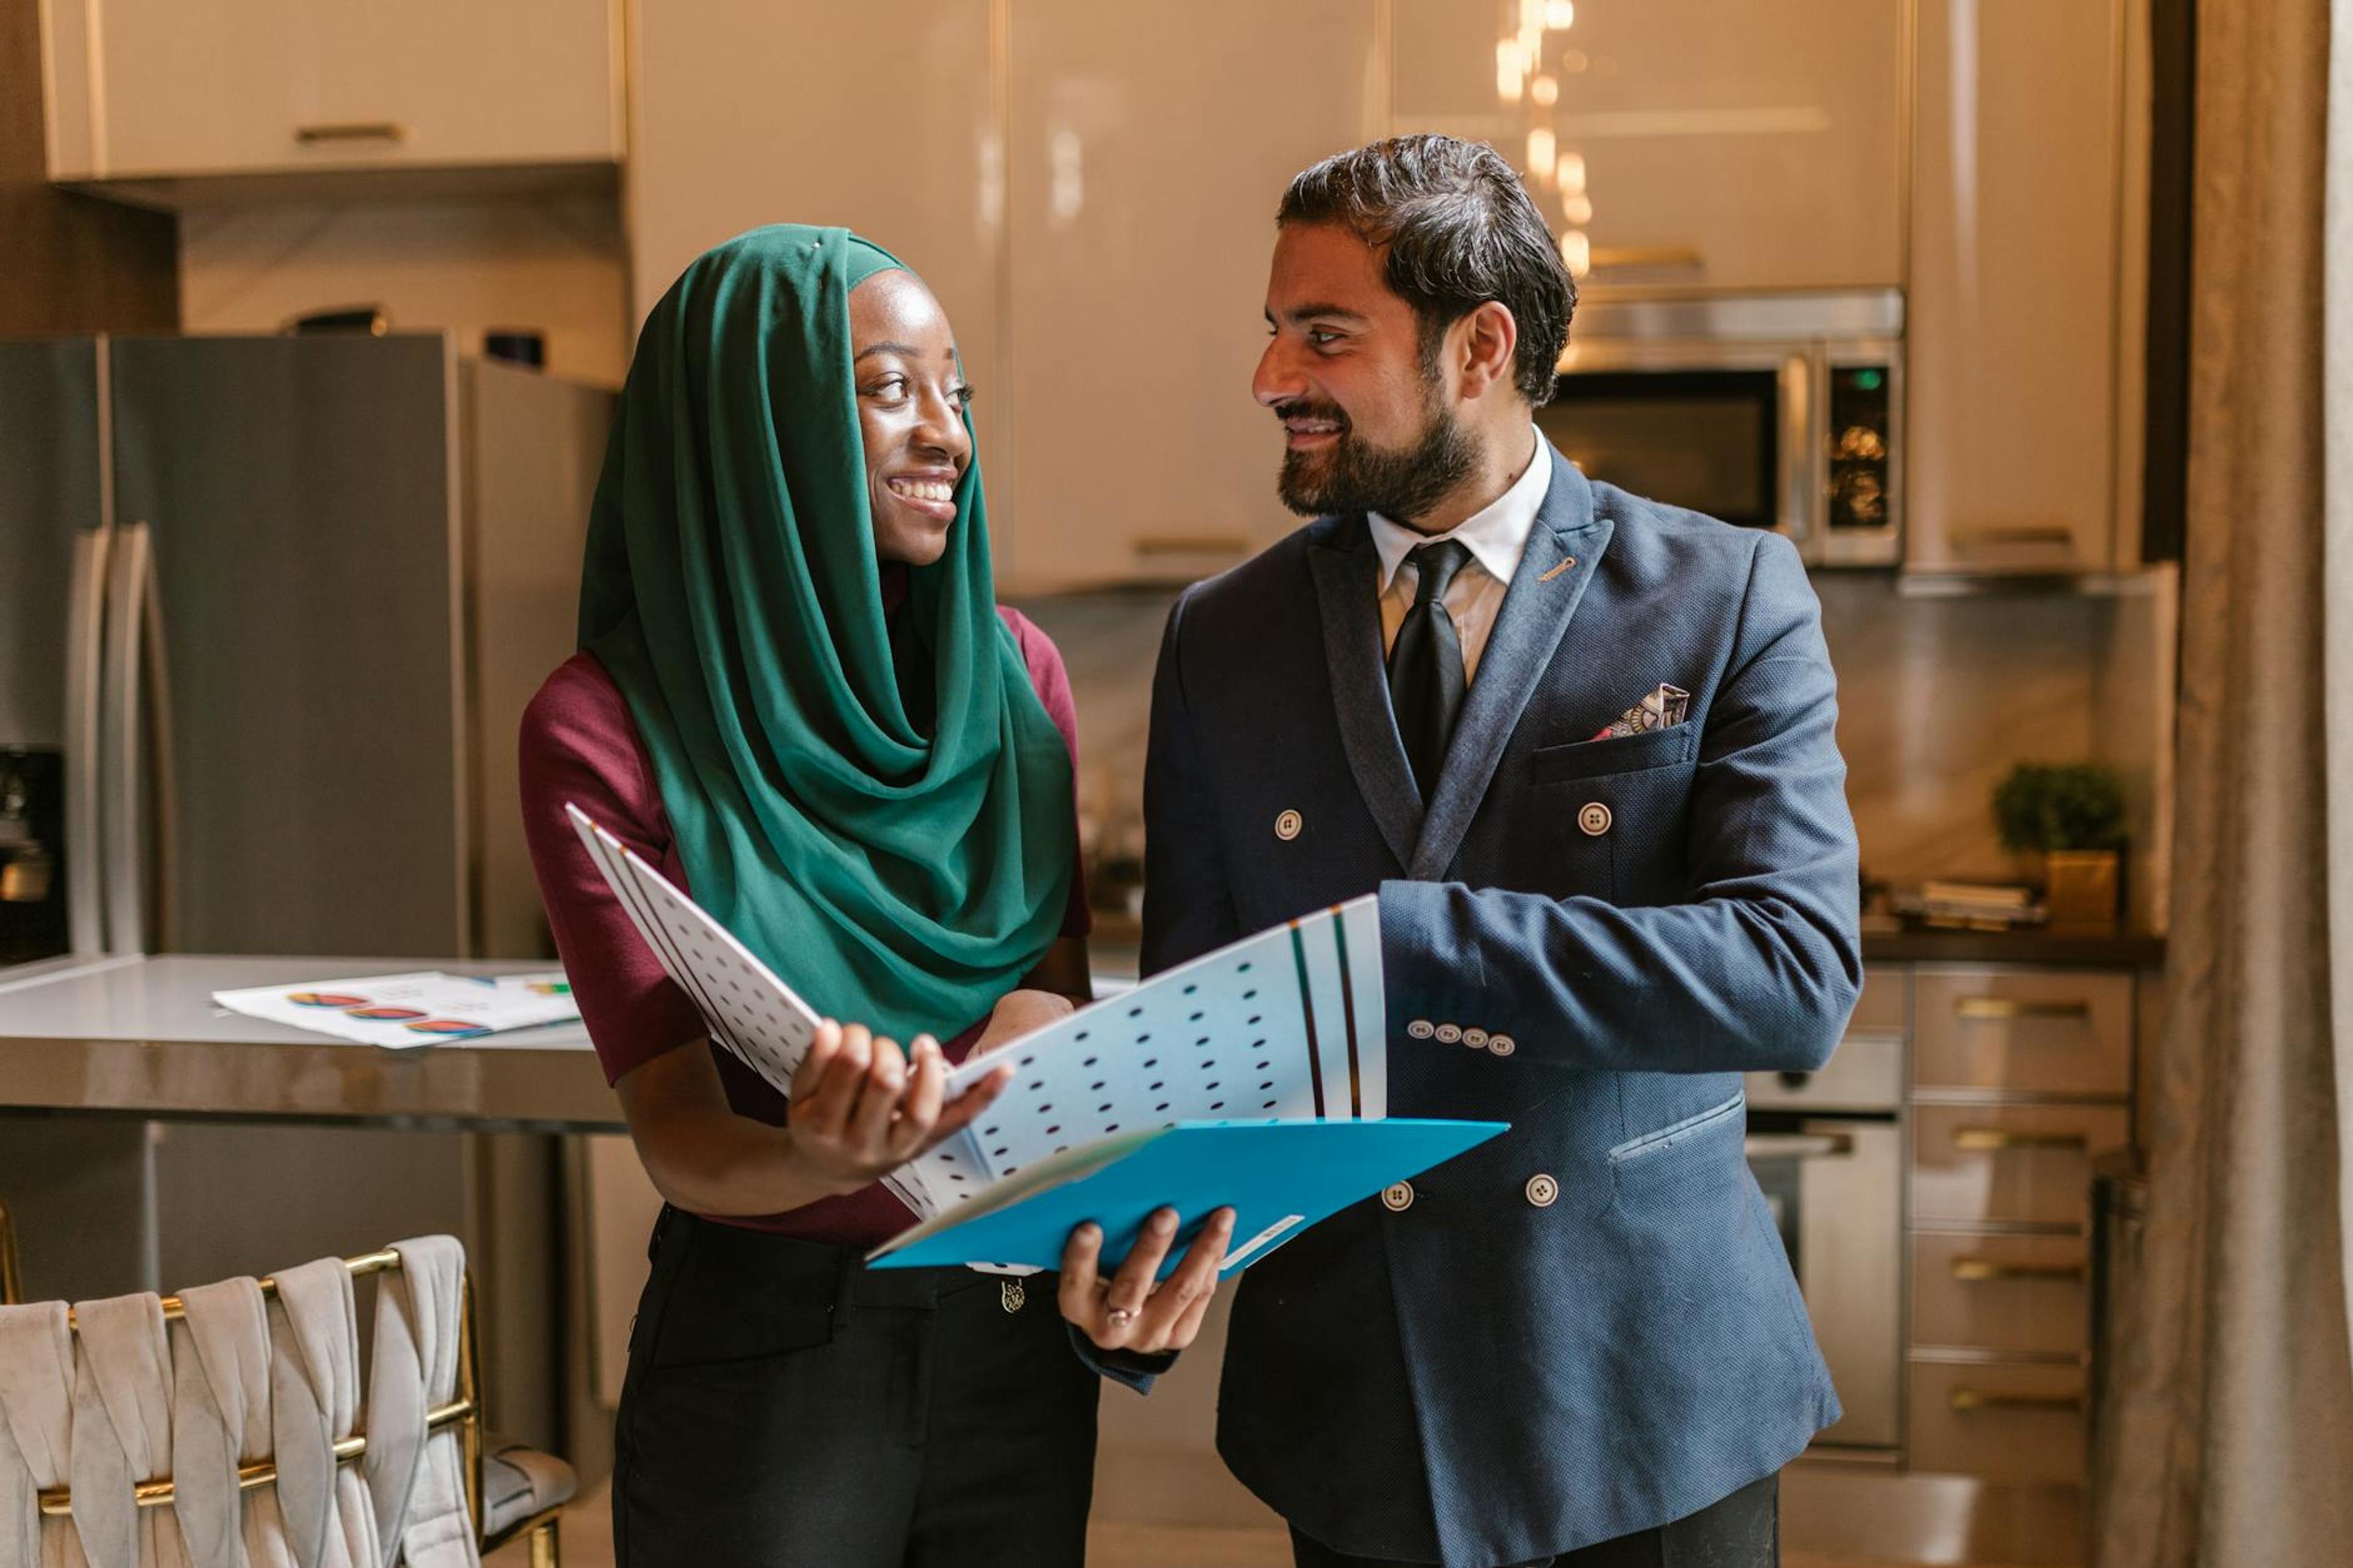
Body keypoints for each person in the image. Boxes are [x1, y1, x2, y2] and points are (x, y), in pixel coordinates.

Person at [1117, 136, 1863, 1567]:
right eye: (1273, 330)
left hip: (1649, 1393)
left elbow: (1795, 973)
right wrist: (1130, 1267)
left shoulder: (1723, 591)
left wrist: (1416, 939)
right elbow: (1201, 1036)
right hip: (1356, 1405)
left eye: (1323, 334)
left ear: (1481, 347)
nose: (1272, 377)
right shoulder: (1221, 636)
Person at [518, 225, 1230, 1568]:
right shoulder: (601, 724)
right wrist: (820, 1153)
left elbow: (1048, 980)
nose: (947, 434)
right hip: (772, 1355)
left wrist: (1020, 1118)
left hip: (1019, 1337)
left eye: (955, 394)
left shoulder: (1018, 674)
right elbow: (675, 1125)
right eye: (889, 387)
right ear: (754, 420)